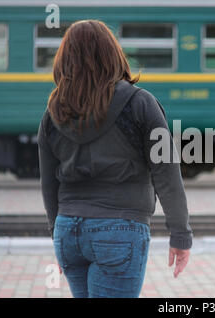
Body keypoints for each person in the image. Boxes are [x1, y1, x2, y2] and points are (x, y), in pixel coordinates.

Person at [37, 20, 192, 298]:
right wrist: (180, 233)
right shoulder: (140, 103)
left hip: (67, 229)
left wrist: (56, 234)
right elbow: (166, 171)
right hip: (120, 229)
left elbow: (49, 182)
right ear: (113, 54)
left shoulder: (53, 113)